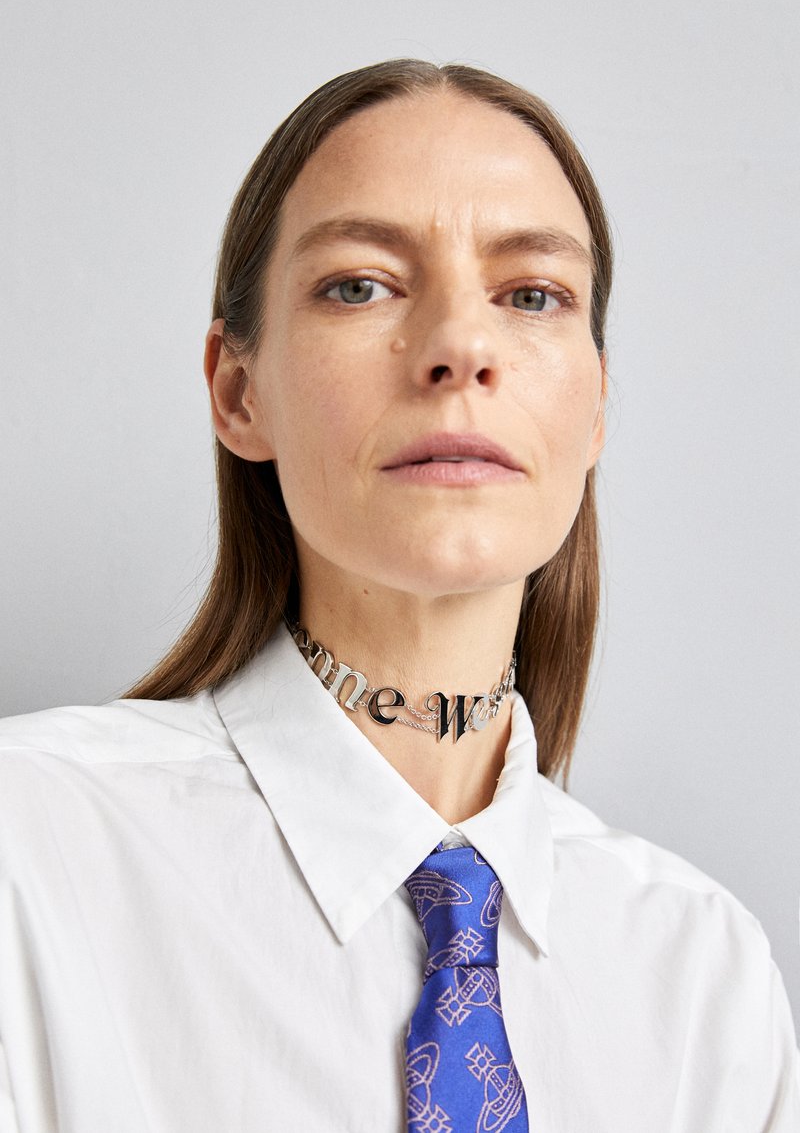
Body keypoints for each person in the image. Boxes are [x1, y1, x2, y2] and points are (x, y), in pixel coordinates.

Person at [0, 60, 797, 1133]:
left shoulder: (706, 985)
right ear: (238, 391)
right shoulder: (28, 859)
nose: (460, 348)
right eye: (360, 285)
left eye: (531, 295)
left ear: (597, 407)